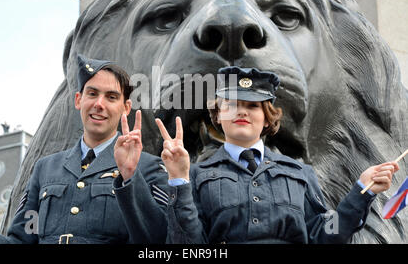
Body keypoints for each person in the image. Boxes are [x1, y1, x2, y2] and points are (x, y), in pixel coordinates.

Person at [155, 66, 399, 244]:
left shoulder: (300, 173)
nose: (242, 111)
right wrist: (178, 179)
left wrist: (361, 192)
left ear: (267, 118)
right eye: (232, 104)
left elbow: (326, 234)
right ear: (218, 115)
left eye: (252, 106)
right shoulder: (196, 176)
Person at [0, 54, 169, 244]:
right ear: (79, 100)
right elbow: (22, 241)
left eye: (111, 97)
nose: (99, 104)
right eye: (92, 93)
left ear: (126, 108)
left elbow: (159, 240)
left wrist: (130, 177)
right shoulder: (45, 169)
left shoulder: (149, 167)